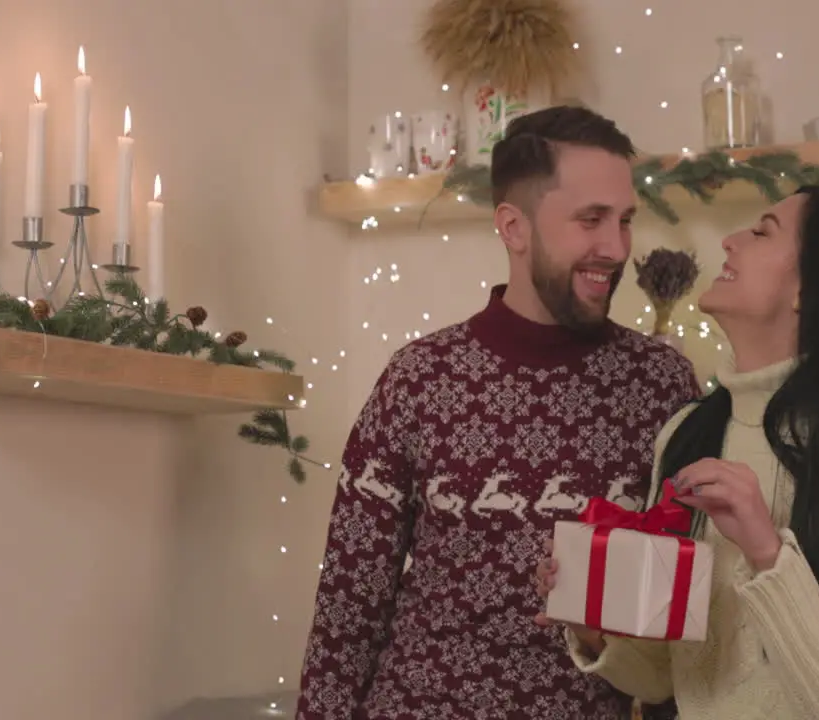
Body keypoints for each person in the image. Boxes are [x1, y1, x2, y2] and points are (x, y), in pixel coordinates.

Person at [294, 105, 701, 719]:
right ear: (513, 228)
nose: (616, 247)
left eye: (624, 221)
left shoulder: (661, 383)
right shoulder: (420, 379)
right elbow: (350, 607)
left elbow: (678, 628)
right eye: (591, 220)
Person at [534, 184, 819, 719]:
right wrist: (590, 623)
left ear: (811, 289)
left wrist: (766, 549)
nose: (730, 241)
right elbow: (666, 677)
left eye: (761, 232)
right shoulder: (688, 434)